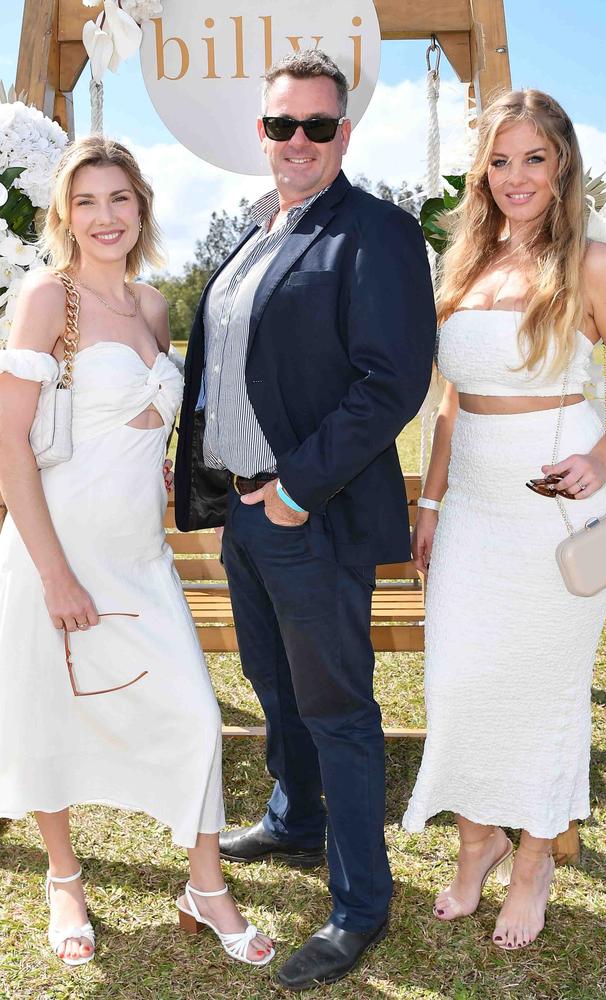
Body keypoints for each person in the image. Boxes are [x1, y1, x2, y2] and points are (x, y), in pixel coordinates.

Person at [174, 51, 436, 989]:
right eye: (282, 125)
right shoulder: (254, 232)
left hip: (309, 517)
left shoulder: (377, 234)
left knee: (338, 710)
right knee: (273, 685)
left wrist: (294, 490)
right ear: (262, 131)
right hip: (245, 514)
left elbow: (391, 382)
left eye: (317, 126)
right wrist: (226, 493)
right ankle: (296, 818)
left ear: (344, 135)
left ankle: (361, 903)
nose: (297, 142)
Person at [0, 137, 274, 969]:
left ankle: (204, 883)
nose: (104, 217)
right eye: (86, 202)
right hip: (59, 549)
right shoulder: (48, 298)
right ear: (64, 214)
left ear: (141, 207)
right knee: (49, 712)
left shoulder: (154, 308)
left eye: (119, 199)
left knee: (195, 714)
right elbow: (9, 443)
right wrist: (53, 574)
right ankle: (64, 877)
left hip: (141, 558)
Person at [403, 89, 606, 950]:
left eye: (533, 158)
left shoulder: (596, 264)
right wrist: (430, 502)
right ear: (482, 173)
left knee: (544, 691)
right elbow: (450, 404)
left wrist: (602, 459)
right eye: (499, 160)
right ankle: (477, 843)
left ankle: (535, 856)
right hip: (470, 507)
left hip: (562, 512)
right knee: (462, 685)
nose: (516, 177)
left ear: (563, 166)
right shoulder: (462, 262)